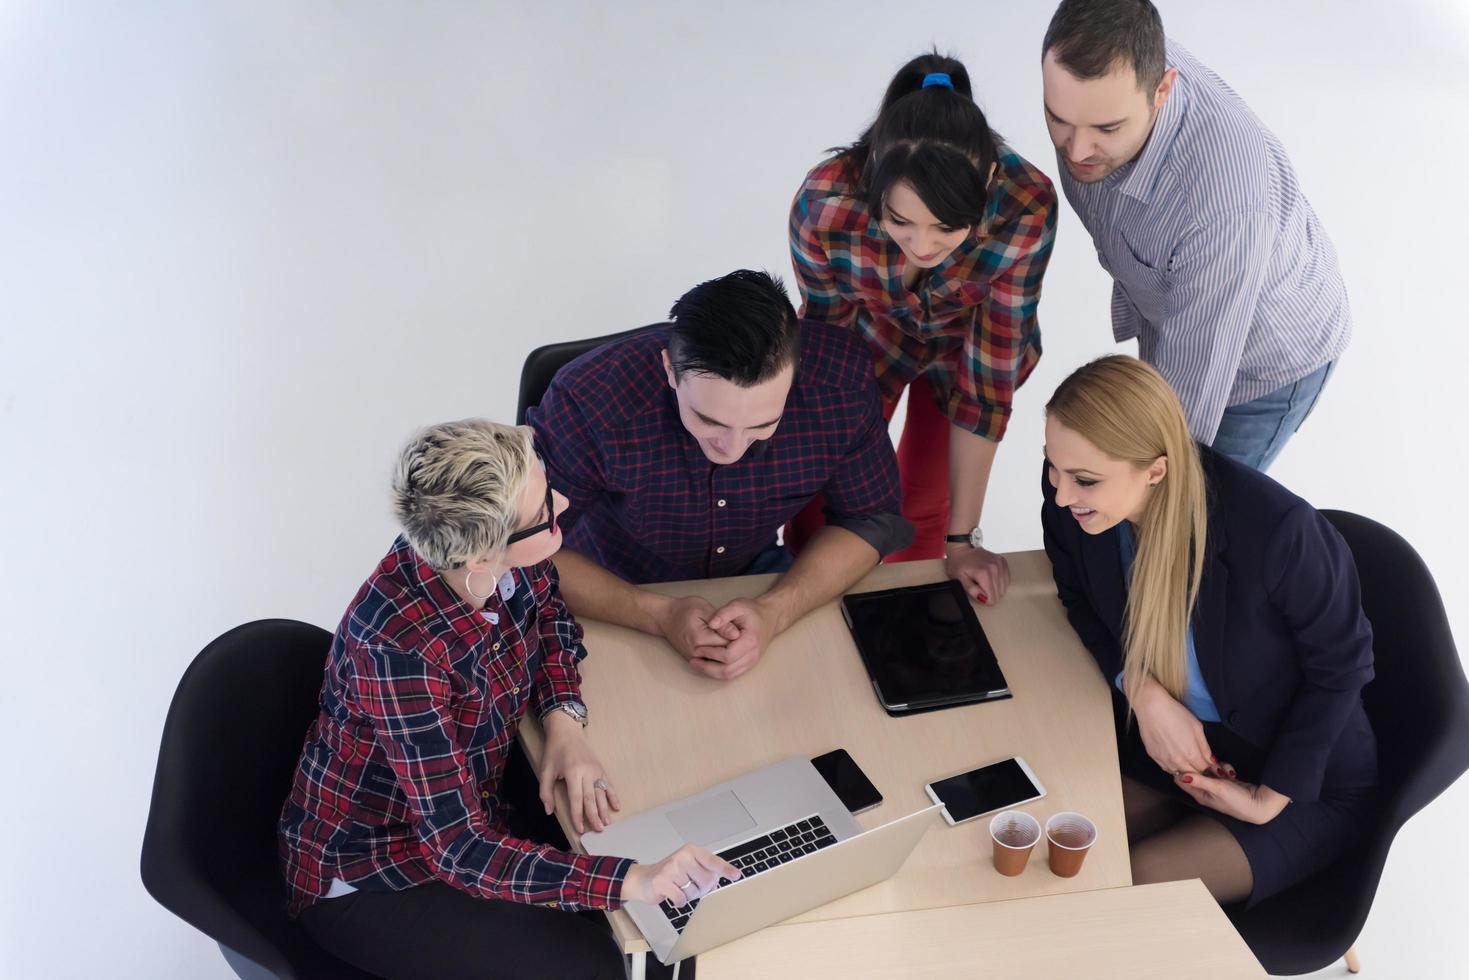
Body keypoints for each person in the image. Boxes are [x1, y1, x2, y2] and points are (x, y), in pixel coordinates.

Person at [278, 419, 739, 979]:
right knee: (602, 959)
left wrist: (564, 719)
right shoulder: (397, 653)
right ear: (480, 559)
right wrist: (632, 880)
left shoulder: (494, 555)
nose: (563, 504)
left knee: (653, 901)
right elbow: (457, 848)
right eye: (546, 509)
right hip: (376, 869)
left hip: (478, 802)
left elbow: (552, 621)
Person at [1040, 355, 1376, 906]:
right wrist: (1143, 693)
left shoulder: (1276, 532)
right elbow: (1076, 598)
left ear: (1156, 469)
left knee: (1131, 888)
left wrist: (1269, 798)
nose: (1060, 495)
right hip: (1177, 753)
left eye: (1084, 480)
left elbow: (1343, 668)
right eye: (1053, 467)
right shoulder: (1077, 498)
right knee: (1055, 839)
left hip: (1300, 786)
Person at [527, 269, 911, 681]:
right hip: (613, 586)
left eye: (763, 425)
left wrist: (777, 610)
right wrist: (656, 615)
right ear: (670, 370)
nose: (732, 450)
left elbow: (870, 519)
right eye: (709, 421)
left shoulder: (840, 378)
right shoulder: (590, 399)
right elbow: (528, 548)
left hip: (758, 577)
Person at [788, 51, 1057, 605]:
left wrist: (964, 541)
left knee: (925, 504)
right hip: (864, 342)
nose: (924, 246)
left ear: (986, 180)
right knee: (816, 502)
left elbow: (988, 382)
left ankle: (914, 621)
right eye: (901, 222)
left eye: (948, 226)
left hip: (966, 353)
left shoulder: (1024, 207)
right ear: (874, 181)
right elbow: (824, 351)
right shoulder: (825, 204)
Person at [1040, 0, 1349, 471]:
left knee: (1193, 516)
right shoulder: (1100, 71)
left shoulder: (1224, 204)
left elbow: (1182, 420)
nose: (1076, 149)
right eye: (1058, 119)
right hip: (1179, 313)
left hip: (1265, 362)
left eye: (1107, 128)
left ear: (1162, 90)